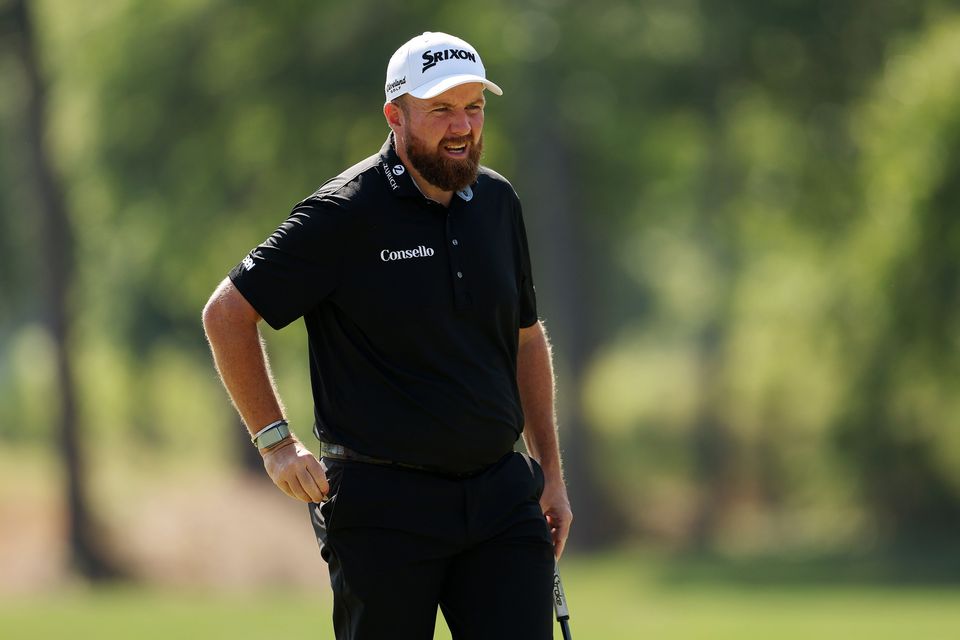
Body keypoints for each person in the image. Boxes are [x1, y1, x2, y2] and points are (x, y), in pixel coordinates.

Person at [202, 31, 572, 640]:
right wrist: (275, 443)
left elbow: (526, 339)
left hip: (502, 499)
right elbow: (227, 315)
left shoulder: (498, 202)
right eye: (441, 110)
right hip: (383, 509)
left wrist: (551, 473)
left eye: (474, 106)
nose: (463, 127)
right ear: (395, 116)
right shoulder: (343, 214)